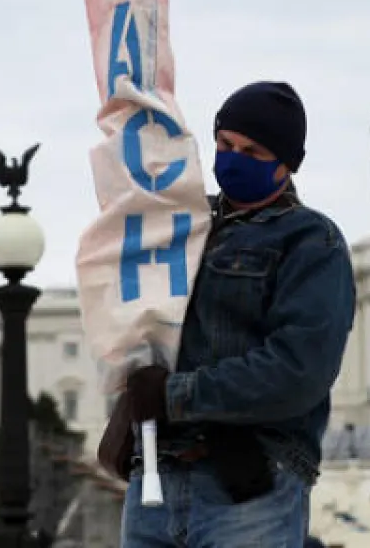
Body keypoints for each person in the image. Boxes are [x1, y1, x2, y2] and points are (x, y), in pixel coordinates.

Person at [100, 81, 356, 548]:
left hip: (247, 486)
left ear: (287, 163)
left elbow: (298, 370)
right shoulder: (181, 224)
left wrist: (173, 395)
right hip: (156, 477)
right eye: (225, 144)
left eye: (252, 152)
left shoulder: (311, 242)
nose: (233, 159)